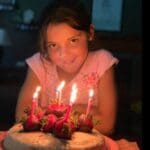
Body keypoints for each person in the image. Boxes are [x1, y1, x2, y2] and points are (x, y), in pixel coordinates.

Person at [15, 0, 119, 136]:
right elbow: (21, 117)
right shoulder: (39, 64)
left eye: (73, 41)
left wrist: (53, 112)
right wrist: (86, 112)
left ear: (90, 33)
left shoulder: (102, 62)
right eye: (53, 45)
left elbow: (106, 124)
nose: (64, 55)